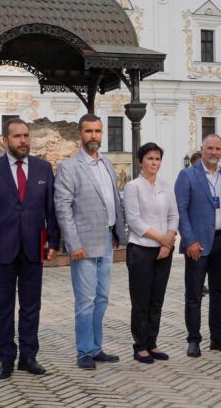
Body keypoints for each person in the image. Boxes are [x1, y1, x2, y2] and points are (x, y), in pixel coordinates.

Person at [0, 118, 60, 380]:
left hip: (33, 249)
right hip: (1, 250)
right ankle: (6, 359)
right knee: (3, 307)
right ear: (5, 140)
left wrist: (54, 242)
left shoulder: (43, 169)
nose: (23, 141)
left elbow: (51, 209)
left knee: (31, 306)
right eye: (17, 137)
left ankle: (29, 356)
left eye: (26, 136)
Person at [54, 114, 126, 370]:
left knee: (102, 299)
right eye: (88, 131)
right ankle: (84, 350)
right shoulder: (69, 167)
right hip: (83, 245)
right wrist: (73, 245)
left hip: (106, 240)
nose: (93, 136)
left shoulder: (106, 162)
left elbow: (114, 200)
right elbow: (62, 208)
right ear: (79, 134)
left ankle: (96, 348)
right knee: (85, 301)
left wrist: (118, 232)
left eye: (97, 131)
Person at [174, 134, 221, 357]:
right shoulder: (187, 175)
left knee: (220, 292)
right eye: (209, 148)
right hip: (198, 244)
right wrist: (189, 240)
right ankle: (193, 339)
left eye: (217, 149)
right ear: (201, 150)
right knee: (194, 294)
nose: (213, 152)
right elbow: (180, 210)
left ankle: (217, 337)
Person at [123, 142, 178, 364]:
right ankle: (140, 346)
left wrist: (167, 243)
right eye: (149, 159)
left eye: (157, 159)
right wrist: (160, 238)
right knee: (141, 300)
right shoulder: (133, 187)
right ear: (140, 161)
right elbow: (134, 221)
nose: (154, 163)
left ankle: (152, 342)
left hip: (164, 251)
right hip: (141, 250)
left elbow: (174, 215)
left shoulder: (166, 185)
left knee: (157, 299)